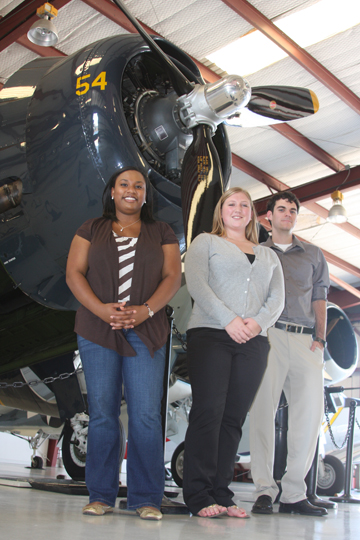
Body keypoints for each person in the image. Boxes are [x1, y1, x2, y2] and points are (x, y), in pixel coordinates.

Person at [66, 166, 181, 520]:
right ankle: (100, 494)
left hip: (146, 331)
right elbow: (73, 273)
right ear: (113, 193)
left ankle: (147, 498)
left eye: (138, 186)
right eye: (124, 185)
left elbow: (173, 276)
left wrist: (146, 311)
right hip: (98, 330)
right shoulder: (91, 228)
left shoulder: (161, 231)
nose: (131, 190)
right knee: (103, 414)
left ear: (145, 196)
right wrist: (102, 311)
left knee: (145, 414)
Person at [182, 187, 285, 518]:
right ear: (221, 212)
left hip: (253, 341)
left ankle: (222, 495)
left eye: (245, 204)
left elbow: (277, 299)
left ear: (252, 214)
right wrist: (230, 321)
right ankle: (198, 494)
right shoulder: (205, 243)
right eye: (231, 204)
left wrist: (255, 325)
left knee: (233, 418)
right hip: (211, 333)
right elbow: (197, 285)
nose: (238, 209)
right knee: (208, 412)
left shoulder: (268, 255)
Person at [250, 190, 330, 517]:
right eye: (281, 209)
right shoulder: (256, 253)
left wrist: (321, 339)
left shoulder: (313, 254)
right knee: (262, 415)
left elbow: (320, 298)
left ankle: (294, 493)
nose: (287, 214)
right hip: (268, 336)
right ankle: (264, 491)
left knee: (308, 418)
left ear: (296, 217)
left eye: (292, 210)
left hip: (305, 340)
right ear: (269, 216)